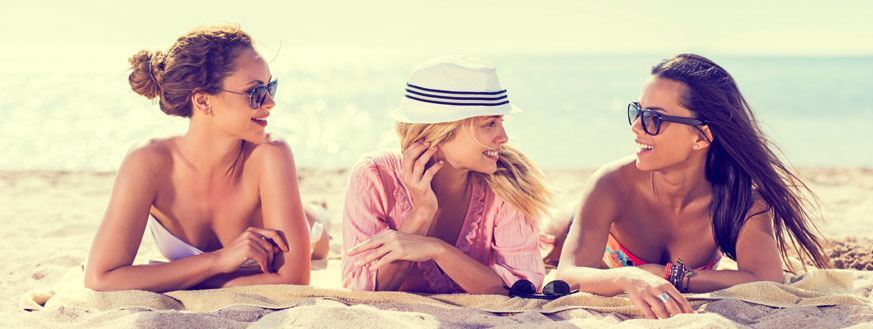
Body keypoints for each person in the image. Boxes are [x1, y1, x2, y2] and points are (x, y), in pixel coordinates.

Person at [549, 54, 830, 319]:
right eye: (637, 111)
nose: (636, 126)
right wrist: (630, 276)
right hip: (572, 228)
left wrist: (666, 274)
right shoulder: (611, 183)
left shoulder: (740, 201)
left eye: (654, 119)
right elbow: (568, 274)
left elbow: (765, 278)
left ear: (701, 136)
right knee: (544, 244)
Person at [84, 25, 326, 292]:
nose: (270, 102)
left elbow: (293, 280)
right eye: (255, 93)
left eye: (271, 87)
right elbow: (100, 278)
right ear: (202, 101)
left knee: (319, 234)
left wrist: (164, 278)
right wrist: (218, 261)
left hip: (309, 230)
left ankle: (314, 209)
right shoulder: (148, 162)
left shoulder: (270, 154)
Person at [341, 57, 552, 294]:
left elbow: (521, 288)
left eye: (501, 122)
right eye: (490, 124)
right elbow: (363, 289)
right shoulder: (374, 177)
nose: (504, 137)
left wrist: (437, 249)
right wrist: (421, 213)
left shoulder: (507, 182)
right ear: (440, 131)